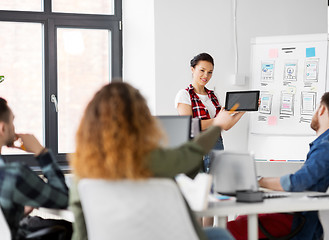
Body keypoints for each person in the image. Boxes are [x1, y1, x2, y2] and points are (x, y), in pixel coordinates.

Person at [69, 82, 236, 240]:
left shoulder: (82, 177)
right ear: (142, 120)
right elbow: (190, 154)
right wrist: (217, 126)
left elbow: (81, 233)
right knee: (219, 234)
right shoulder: (151, 161)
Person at [227, 91, 329, 240]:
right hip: (307, 212)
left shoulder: (327, 147)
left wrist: (258, 181)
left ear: (322, 110)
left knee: (227, 230)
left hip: (300, 220)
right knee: (244, 215)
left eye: (317, 108)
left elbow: (297, 183)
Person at [0, 97, 69, 239]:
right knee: (69, 228)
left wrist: (18, 210)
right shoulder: (13, 175)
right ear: (3, 128)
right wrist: (41, 152)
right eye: (12, 122)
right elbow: (63, 199)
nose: (14, 128)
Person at [175, 53, 245, 173]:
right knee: (200, 185)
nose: (205, 75)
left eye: (210, 72)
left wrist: (244, 109)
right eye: (202, 70)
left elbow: (225, 125)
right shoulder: (184, 95)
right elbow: (190, 126)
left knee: (216, 183)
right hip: (197, 146)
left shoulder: (213, 96)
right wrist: (217, 120)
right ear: (192, 69)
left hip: (216, 144)